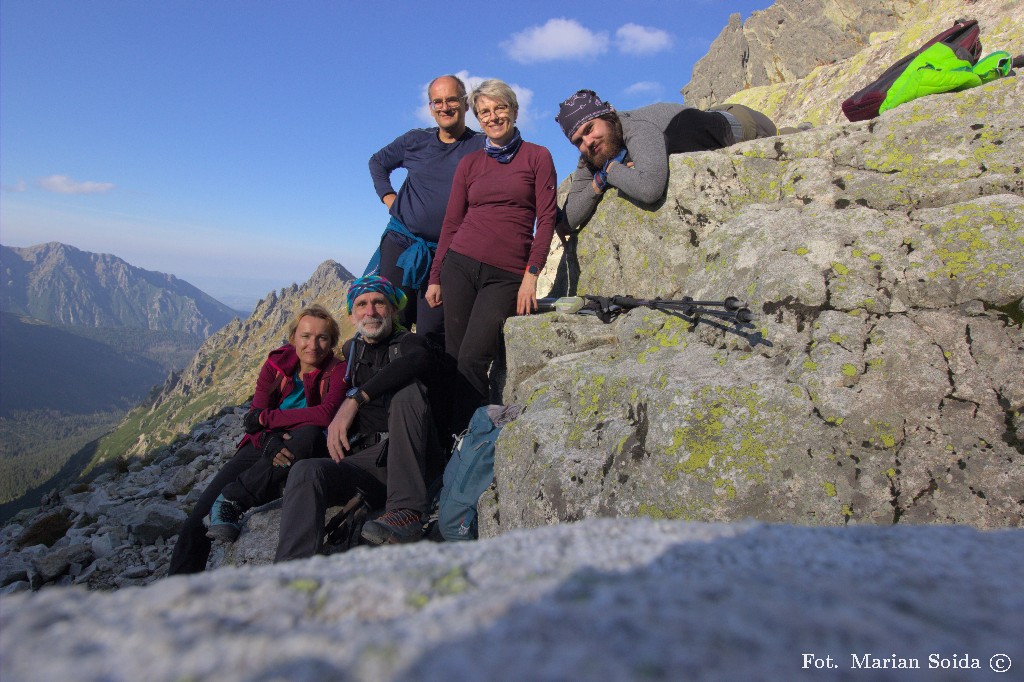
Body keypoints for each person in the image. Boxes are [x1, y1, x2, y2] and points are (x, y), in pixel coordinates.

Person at [274, 275, 444, 559]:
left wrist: (355, 400)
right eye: (362, 304)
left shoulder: (410, 344)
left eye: (379, 303)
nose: (370, 311)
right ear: (352, 315)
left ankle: (406, 511)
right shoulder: (353, 350)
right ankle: (292, 573)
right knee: (306, 471)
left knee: (408, 391)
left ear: (392, 310)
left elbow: (417, 362)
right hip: (366, 462)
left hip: (411, 460)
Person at [168, 305, 346, 575]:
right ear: (293, 338)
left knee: (308, 433)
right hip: (264, 444)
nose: (313, 345)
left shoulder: (337, 370)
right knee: (197, 519)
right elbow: (254, 419)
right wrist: (266, 440)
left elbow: (324, 415)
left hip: (306, 446)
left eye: (322, 338)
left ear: (331, 343)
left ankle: (234, 499)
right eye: (306, 336)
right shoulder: (276, 365)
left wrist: (266, 421)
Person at [425, 79, 557, 431]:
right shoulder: (469, 164)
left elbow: (546, 219)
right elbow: (452, 222)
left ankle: (467, 439)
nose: (493, 116)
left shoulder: (538, 156)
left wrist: (532, 275)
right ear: (478, 118)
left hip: (506, 274)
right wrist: (436, 275)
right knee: (453, 358)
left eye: (500, 108)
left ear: (514, 111)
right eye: (485, 111)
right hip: (459, 265)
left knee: (472, 357)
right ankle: (450, 439)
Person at [555, 89, 787, 232]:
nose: (588, 141)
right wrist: (600, 180)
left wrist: (612, 170)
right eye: (578, 141)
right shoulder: (595, 150)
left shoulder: (636, 129)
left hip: (744, 124)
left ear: (606, 117)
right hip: (702, 119)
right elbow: (569, 219)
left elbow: (649, 188)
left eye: (589, 129)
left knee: (789, 138)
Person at [364, 74, 485, 347]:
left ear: (466, 104)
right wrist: (389, 197)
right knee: (392, 323)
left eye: (452, 99)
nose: (445, 107)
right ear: (431, 108)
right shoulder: (415, 140)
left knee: (433, 331)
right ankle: (389, 387)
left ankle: (428, 388)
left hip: (447, 253)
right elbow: (377, 162)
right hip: (402, 243)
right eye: (437, 101)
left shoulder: (481, 146)